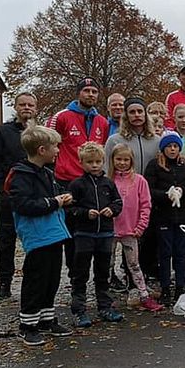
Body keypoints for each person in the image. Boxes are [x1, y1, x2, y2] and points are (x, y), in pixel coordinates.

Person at [7, 125, 73, 346]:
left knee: (52, 278)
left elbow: (51, 198)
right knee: (36, 279)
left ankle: (46, 319)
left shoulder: (47, 173)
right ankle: (28, 324)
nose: (57, 151)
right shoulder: (20, 175)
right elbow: (24, 205)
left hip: (53, 234)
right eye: (55, 147)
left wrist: (62, 199)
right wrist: (54, 202)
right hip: (37, 236)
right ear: (42, 149)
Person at [47, 77, 110, 276]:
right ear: (79, 93)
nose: (90, 95)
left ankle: (96, 275)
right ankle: (75, 274)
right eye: (87, 91)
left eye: (94, 91)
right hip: (68, 181)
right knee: (72, 230)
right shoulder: (62, 116)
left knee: (94, 226)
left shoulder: (102, 121)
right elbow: (48, 143)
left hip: (93, 182)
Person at [0, 92, 37, 301]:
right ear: (16, 107)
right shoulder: (3, 132)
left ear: (36, 108)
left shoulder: (40, 133)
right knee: (6, 239)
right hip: (10, 196)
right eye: (22, 104)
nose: (26, 108)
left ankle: (33, 280)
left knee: (35, 240)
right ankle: (4, 282)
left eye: (30, 105)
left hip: (35, 196)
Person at [67, 142, 124, 327]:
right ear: (82, 162)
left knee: (103, 272)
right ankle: (79, 310)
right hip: (84, 234)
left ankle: (105, 306)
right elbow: (70, 208)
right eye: (90, 162)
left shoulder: (108, 183)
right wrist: (85, 213)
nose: (95, 165)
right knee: (80, 273)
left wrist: (111, 210)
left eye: (98, 161)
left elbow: (118, 203)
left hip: (105, 234)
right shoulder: (77, 184)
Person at [144, 133, 185, 306]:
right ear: (163, 148)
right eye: (169, 146)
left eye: (175, 146)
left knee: (180, 252)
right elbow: (149, 189)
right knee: (164, 252)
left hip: (183, 215)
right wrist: (166, 194)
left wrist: (183, 190)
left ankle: (179, 286)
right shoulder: (155, 165)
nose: (172, 149)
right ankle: (164, 287)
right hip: (163, 216)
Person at [109, 144, 163, 312]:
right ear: (112, 160)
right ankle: (103, 298)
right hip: (109, 231)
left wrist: (141, 226)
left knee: (134, 264)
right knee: (106, 265)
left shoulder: (139, 180)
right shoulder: (108, 180)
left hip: (131, 230)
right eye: (119, 159)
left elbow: (146, 205)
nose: (122, 163)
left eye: (126, 159)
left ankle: (143, 295)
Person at [104, 97, 161, 175]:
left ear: (145, 115)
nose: (137, 115)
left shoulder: (157, 141)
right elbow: (106, 167)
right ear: (126, 116)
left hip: (150, 185)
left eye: (140, 111)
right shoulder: (114, 140)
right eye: (132, 112)